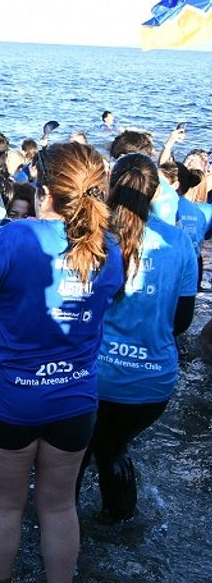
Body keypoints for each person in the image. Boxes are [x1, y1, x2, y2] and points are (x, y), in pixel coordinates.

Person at [0, 142, 124, 583]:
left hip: (12, 398)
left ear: (43, 190)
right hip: (75, 398)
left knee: (4, 506)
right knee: (60, 506)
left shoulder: (14, 236)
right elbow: (108, 299)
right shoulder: (111, 247)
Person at [79, 153, 197, 522]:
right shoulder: (179, 242)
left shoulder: (93, 234)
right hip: (151, 384)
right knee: (113, 449)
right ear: (156, 191)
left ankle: (53, 529)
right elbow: (182, 322)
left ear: (112, 184)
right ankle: (120, 531)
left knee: (75, 454)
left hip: (91, 377)